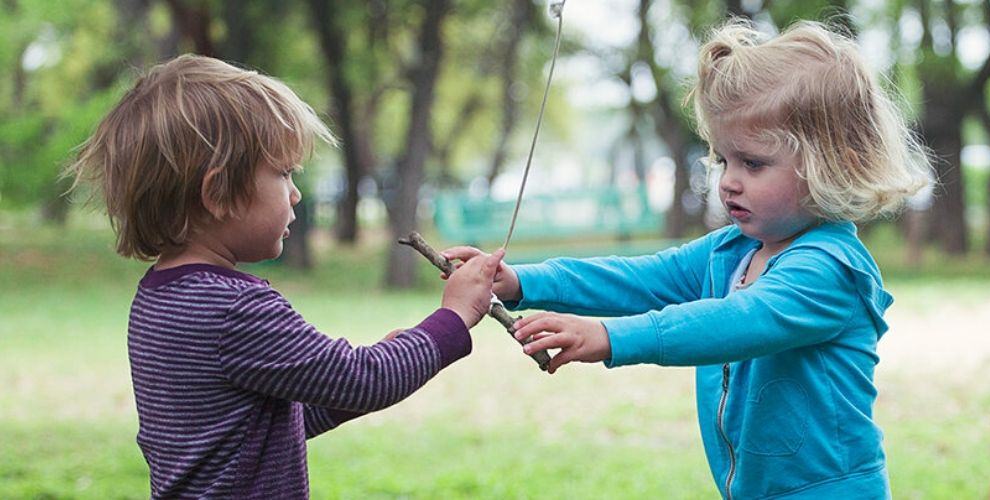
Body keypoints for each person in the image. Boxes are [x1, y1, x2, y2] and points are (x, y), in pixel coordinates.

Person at [444, 21, 930, 499]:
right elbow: (639, 278)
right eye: (723, 160)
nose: (728, 181)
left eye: (753, 163)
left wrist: (610, 336)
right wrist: (521, 281)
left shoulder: (831, 269)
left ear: (831, 164)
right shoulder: (732, 251)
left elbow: (737, 321)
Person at [68, 54, 504, 498]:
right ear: (218, 192)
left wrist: (360, 380)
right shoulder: (237, 309)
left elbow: (259, 427)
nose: (295, 194)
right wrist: (452, 316)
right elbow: (365, 379)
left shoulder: (158, 297)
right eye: (283, 173)